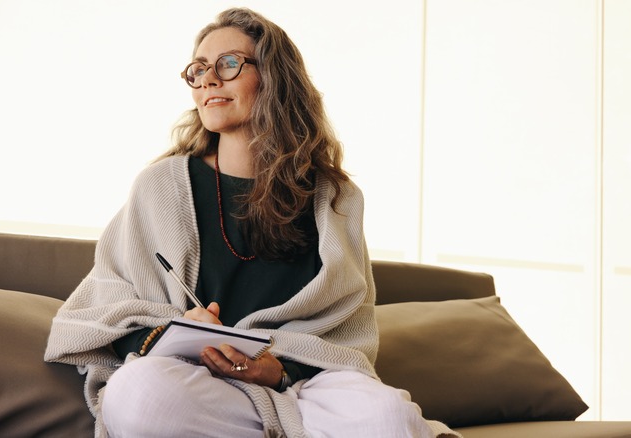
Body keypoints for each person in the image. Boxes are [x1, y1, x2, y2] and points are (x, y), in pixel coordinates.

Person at [44, 7, 458, 438]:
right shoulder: (160, 186)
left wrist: (278, 368)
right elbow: (109, 306)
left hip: (307, 390)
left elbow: (343, 334)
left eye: (227, 64)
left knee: (388, 414)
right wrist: (172, 332)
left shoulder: (335, 198)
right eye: (198, 69)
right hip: (197, 383)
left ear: (275, 78)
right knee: (138, 394)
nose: (207, 80)